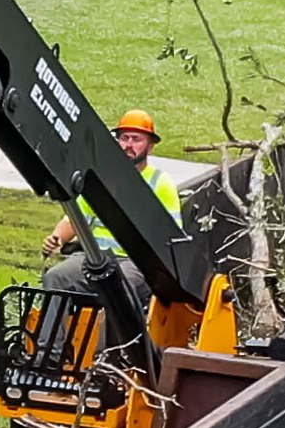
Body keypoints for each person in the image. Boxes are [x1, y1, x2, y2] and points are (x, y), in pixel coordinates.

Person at [40, 108, 182, 310]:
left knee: (118, 289)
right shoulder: (101, 179)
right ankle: (51, 332)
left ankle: (112, 332)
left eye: (136, 139)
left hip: (134, 263)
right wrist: (57, 238)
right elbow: (75, 219)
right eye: (124, 138)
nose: (129, 145)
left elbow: (171, 237)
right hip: (95, 258)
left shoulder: (160, 183)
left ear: (150, 146)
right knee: (56, 277)